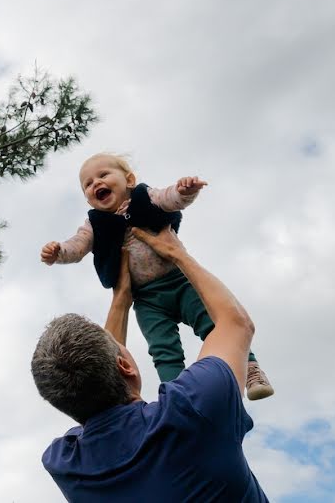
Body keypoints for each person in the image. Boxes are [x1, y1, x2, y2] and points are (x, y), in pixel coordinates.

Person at [31, 226, 270, 502]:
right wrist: (178, 254)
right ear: (126, 367)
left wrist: (121, 299)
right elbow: (236, 324)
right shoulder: (196, 406)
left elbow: (97, 394)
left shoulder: (65, 464)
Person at [40, 152, 273, 399]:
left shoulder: (144, 196)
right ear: (89, 199)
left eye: (103, 175)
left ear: (129, 180)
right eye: (88, 184)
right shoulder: (94, 225)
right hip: (147, 300)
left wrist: (185, 191)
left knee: (213, 323)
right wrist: (59, 252)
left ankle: (250, 369)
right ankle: (177, 395)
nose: (95, 183)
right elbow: (78, 245)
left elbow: (169, 199)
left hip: (181, 282)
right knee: (163, 349)